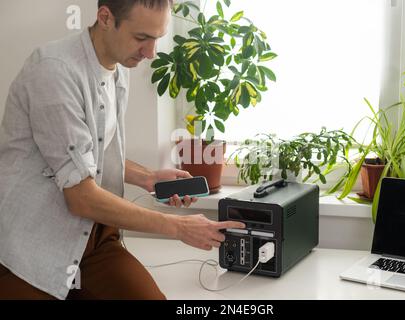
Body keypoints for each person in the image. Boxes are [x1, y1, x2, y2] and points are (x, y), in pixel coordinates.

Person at [0, 0, 245, 300]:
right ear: (105, 18)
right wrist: (179, 227)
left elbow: (88, 155)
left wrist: (149, 178)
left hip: (95, 238)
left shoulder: (118, 68)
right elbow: (81, 197)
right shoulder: (54, 72)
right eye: (142, 38)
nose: (151, 52)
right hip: (33, 245)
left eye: (157, 38)